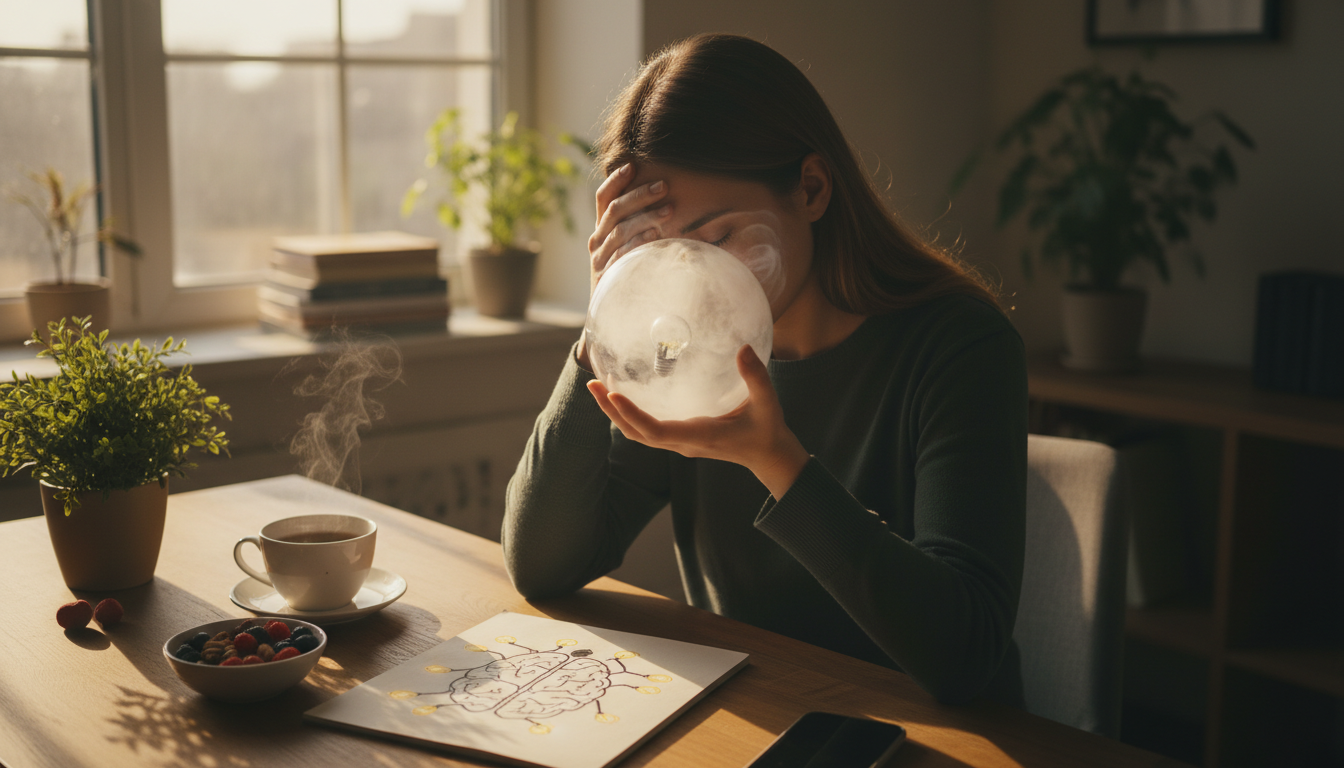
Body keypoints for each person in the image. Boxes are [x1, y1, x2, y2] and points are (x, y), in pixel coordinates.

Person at [502, 33, 1026, 705]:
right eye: (660, 251)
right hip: (761, 714)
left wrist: (776, 458)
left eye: (717, 238)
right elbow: (543, 566)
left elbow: (967, 654)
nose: (693, 282)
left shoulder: (959, 347)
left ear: (810, 188)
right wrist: (605, 324)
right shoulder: (679, 353)